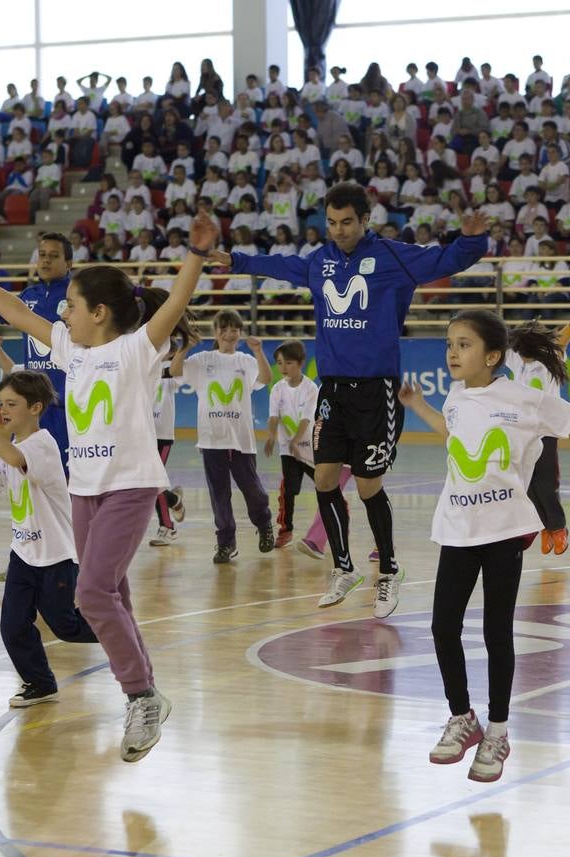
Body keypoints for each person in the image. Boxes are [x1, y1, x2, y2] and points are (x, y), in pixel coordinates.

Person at [0, 211, 217, 763]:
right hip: (85, 490)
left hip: (129, 488)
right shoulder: (71, 351)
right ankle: (149, 692)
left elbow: (175, 306)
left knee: (90, 595)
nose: (61, 313)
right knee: (115, 595)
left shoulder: (133, 350)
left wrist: (196, 257)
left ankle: (139, 695)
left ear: (100, 313)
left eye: (70, 306)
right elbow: (14, 309)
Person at [207, 182, 490, 614]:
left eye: (346, 223)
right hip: (332, 390)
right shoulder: (319, 261)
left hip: (377, 391)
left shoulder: (394, 257)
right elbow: (282, 266)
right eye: (332, 223)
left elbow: (447, 259)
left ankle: (389, 571)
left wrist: (470, 239)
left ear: (365, 220)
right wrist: (239, 259)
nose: (338, 231)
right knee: (322, 479)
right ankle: (343, 567)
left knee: (367, 483)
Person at [397, 310, 570, 783]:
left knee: (495, 632)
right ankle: (461, 717)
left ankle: (498, 730)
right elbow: (454, 435)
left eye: (463, 344)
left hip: (504, 528)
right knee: (442, 627)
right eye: (449, 343)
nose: (452, 352)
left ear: (492, 356)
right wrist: (419, 407)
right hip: (457, 528)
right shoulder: (453, 396)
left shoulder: (525, 400)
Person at [0, 371, 99, 708]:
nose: (3, 410)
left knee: (66, 627)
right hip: (23, 555)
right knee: (12, 626)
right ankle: (40, 683)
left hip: (56, 556)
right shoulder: (5, 452)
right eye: (0, 405)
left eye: (12, 404)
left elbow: (16, 460)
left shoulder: (43, 444)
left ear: (35, 407)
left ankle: (119, 632)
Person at [0, 233, 75, 472]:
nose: (45, 261)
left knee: (67, 479)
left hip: (68, 407)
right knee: (23, 472)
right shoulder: (28, 296)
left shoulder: (76, 298)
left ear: (69, 263)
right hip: (33, 407)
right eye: (42, 255)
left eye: (54, 256)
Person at [170, 309, 274, 563]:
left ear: (240, 332)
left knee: (253, 491)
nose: (229, 334)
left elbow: (267, 378)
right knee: (219, 494)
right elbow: (174, 371)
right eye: (224, 329)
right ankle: (226, 543)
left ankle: (264, 524)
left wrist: (259, 352)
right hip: (211, 439)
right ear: (215, 333)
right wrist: (185, 347)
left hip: (241, 439)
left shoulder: (246, 361)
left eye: (234, 329)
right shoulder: (202, 359)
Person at [503, 306, 570, 554]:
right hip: (521, 431)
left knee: (546, 484)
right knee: (527, 485)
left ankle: (559, 528)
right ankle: (543, 527)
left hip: (547, 431)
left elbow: (565, 335)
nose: (523, 357)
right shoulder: (515, 358)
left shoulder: (551, 356)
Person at [266, 340, 319, 548]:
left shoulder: (311, 388)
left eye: (288, 363)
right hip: (288, 450)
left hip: (310, 449)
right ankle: (285, 530)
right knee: (288, 489)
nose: (283, 368)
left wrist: (296, 442)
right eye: (279, 363)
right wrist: (271, 436)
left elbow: (306, 420)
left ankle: (336, 520)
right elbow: (273, 416)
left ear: (300, 363)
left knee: (326, 487)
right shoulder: (277, 389)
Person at [147, 324, 195, 548]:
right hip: (140, 433)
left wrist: (185, 347)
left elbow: (175, 371)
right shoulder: (142, 367)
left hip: (161, 434)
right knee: (147, 484)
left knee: (154, 482)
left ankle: (168, 528)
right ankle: (174, 500)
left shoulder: (171, 369)